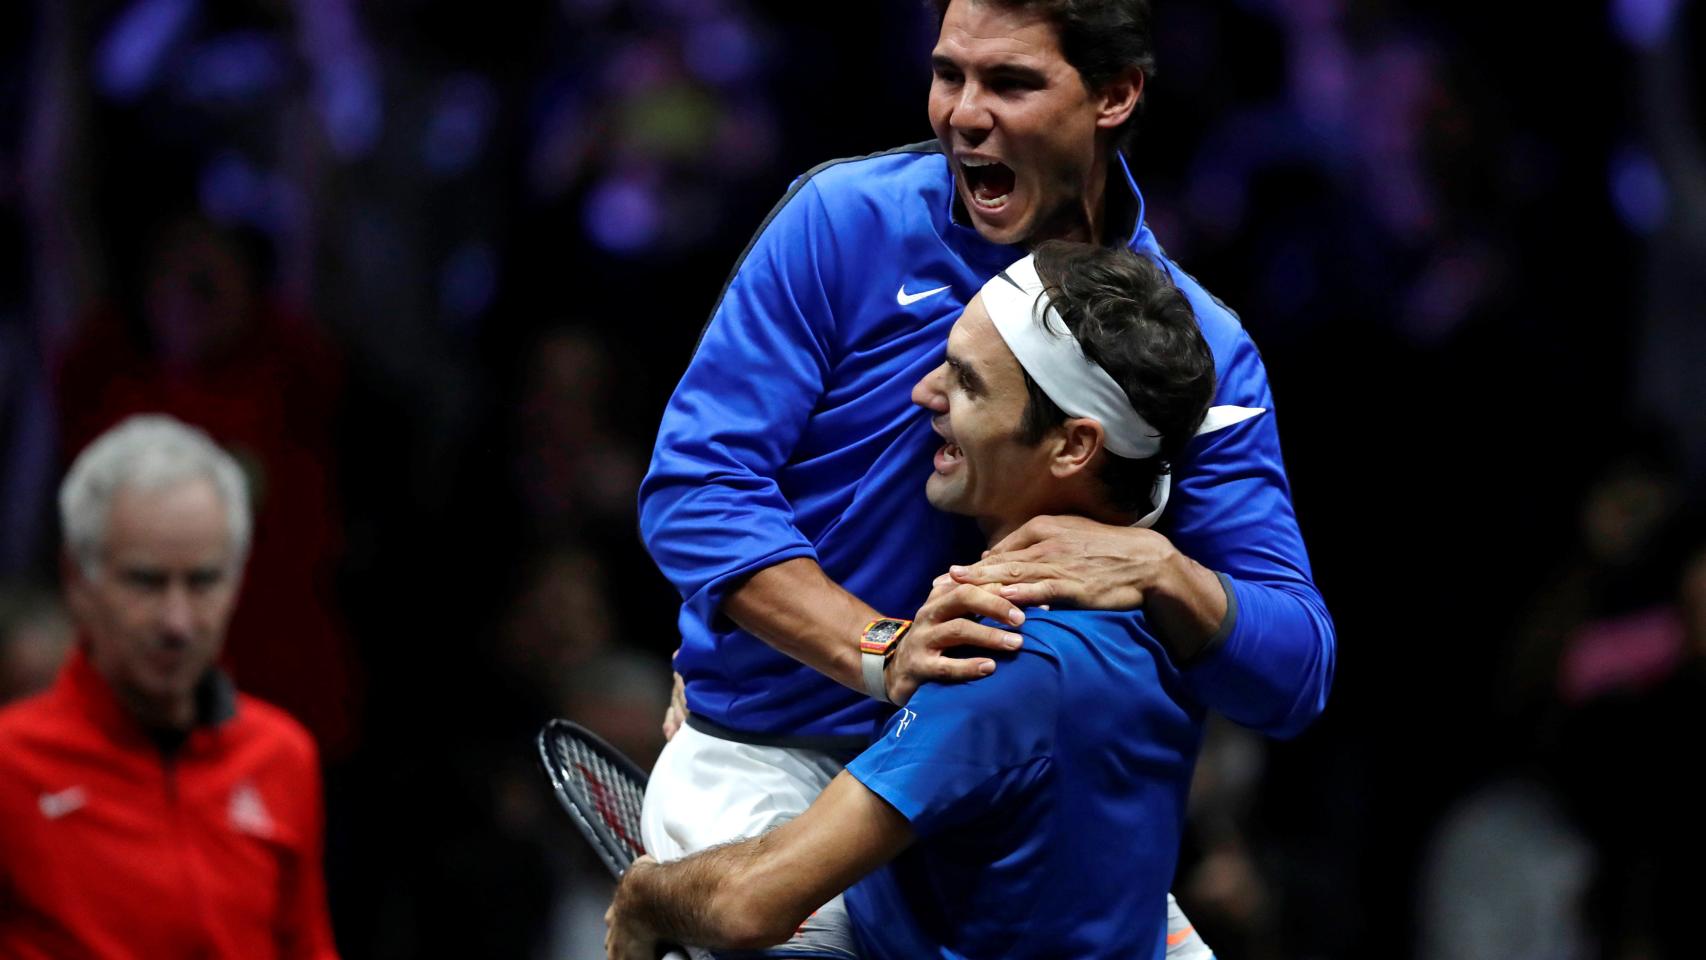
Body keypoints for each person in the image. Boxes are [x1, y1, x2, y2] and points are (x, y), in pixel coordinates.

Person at [638, 0, 1336, 954]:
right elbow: (696, 490)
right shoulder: (840, 223)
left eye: (1010, 82)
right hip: (783, 764)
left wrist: (1161, 570)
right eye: (948, 74)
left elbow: (1294, 668)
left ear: (1115, 95)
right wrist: (875, 649)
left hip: (1024, 805)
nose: (963, 113)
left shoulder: (1196, 349)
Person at [611, 241, 1217, 959]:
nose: (924, 393)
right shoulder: (1172, 608)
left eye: (966, 383)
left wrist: (644, 898)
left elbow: (750, 905)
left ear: (1071, 446)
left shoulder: (1000, 654)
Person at [0, 415, 339, 960]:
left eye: (203, 581)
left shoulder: (283, 759)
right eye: (146, 581)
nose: (177, 621)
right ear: (77, 580)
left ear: (238, 581)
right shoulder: (10, 767)